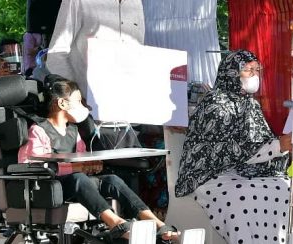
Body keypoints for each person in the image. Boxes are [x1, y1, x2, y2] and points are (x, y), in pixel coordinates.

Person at [17, 75, 178, 241]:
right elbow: (32, 164)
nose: (82, 106)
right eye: (78, 101)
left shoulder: (74, 131)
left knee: (112, 180)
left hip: (79, 183)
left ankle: (157, 224)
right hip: (50, 187)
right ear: (62, 103)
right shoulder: (38, 130)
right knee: (78, 178)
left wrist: (91, 165)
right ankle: (116, 223)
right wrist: (78, 168)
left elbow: (82, 159)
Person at [176, 50, 293, 244]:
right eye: (249, 70)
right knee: (242, 197)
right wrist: (277, 145)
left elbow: (262, 141)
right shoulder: (215, 103)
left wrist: (283, 145)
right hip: (210, 173)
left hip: (243, 170)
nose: (255, 75)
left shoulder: (251, 105)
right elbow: (229, 149)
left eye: (257, 70)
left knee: (284, 186)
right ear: (232, 72)